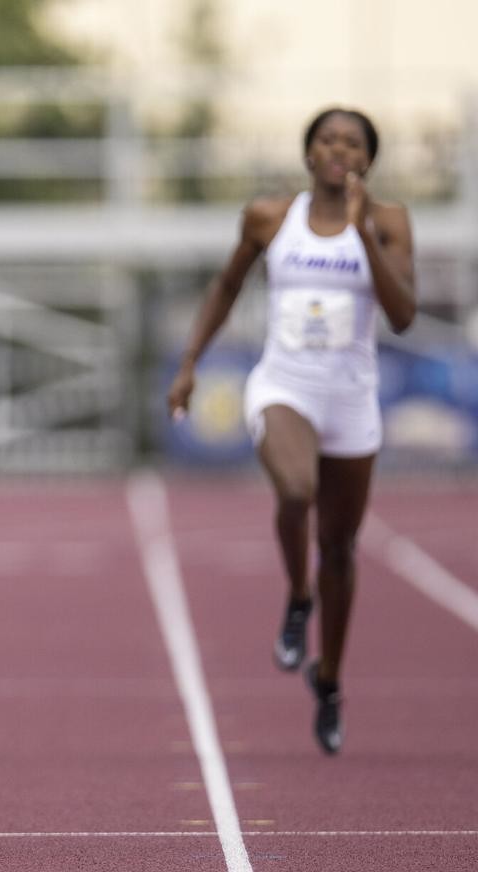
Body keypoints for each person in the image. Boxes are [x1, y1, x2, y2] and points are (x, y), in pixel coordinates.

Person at [167, 108, 415, 755]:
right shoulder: (270, 218)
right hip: (284, 385)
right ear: (309, 153)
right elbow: (226, 286)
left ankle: (328, 679)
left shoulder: (388, 222)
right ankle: (299, 596)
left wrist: (362, 234)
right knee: (296, 490)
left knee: (340, 547)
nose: (339, 150)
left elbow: (403, 315)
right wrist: (190, 364)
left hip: (351, 400)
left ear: (367, 160)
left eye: (353, 143)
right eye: (328, 139)